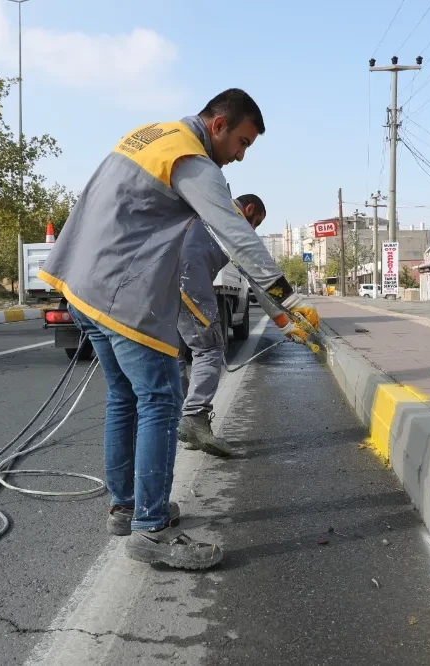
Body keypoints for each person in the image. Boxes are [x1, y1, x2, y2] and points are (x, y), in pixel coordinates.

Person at [38, 89, 319, 570]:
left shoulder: (149, 135)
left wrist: (275, 316)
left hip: (80, 284)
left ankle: (125, 507)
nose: (241, 155)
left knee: (124, 397)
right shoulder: (193, 160)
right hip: (122, 294)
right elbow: (236, 234)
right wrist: (288, 301)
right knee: (161, 400)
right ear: (218, 125)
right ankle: (152, 529)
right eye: (242, 142)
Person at [177, 194, 266, 457]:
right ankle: (195, 417)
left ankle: (181, 420)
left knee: (173, 354)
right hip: (189, 281)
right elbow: (260, 274)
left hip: (159, 282)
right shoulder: (232, 221)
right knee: (209, 348)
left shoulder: (205, 206)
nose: (253, 230)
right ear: (248, 209)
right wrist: (288, 316)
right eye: (256, 222)